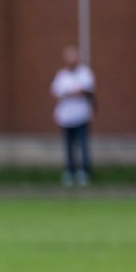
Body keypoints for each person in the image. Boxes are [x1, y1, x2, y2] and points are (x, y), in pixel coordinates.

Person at [51, 44, 96, 186]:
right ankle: (70, 171)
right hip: (66, 117)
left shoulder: (85, 73)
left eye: (73, 56)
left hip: (81, 116)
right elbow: (56, 92)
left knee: (82, 145)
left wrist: (69, 93)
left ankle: (84, 172)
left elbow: (86, 91)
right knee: (68, 146)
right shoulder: (62, 75)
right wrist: (72, 93)